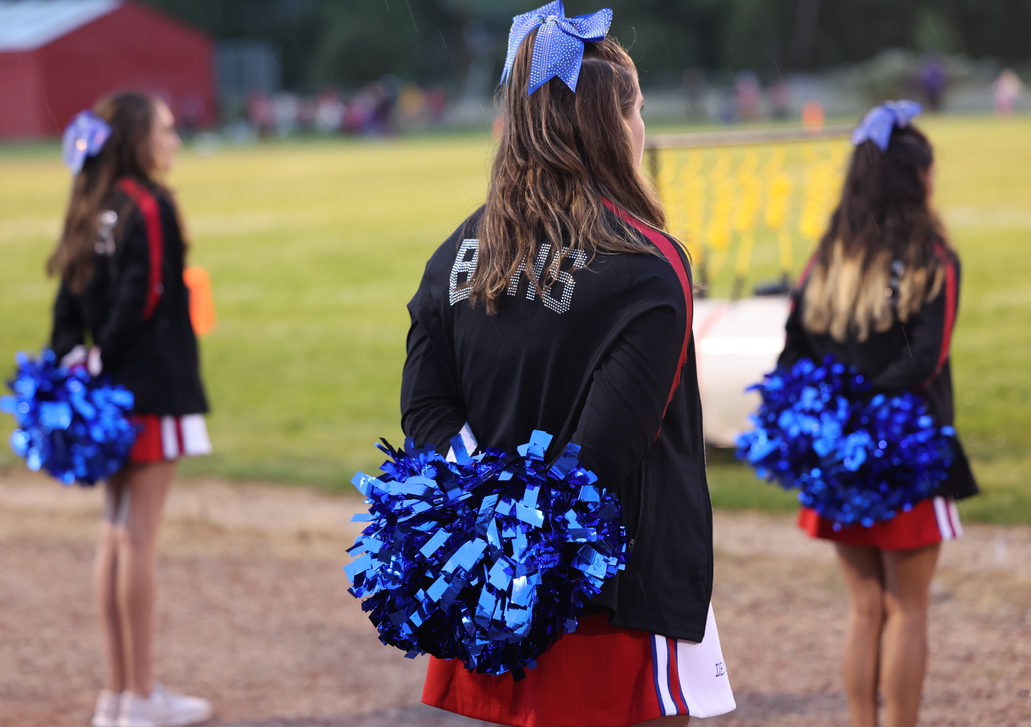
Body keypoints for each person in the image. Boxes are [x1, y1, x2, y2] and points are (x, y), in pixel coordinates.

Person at [400, 4, 735, 725]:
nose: (642, 127)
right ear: (612, 124)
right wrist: (529, 534)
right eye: (637, 109)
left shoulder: (455, 252)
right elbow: (603, 454)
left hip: (491, 587)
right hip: (610, 598)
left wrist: (490, 526)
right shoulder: (646, 266)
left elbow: (425, 411)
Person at [778, 101, 978, 727]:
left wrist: (833, 421)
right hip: (907, 455)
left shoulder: (828, 258)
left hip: (838, 457)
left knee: (865, 608)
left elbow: (793, 352)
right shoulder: (932, 258)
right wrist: (873, 415)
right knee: (908, 609)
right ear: (916, 180)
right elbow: (924, 361)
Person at [48, 92, 213, 727]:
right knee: (137, 536)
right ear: (138, 139)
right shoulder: (148, 203)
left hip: (105, 397)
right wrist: (106, 359)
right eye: (166, 129)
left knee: (116, 531)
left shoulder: (93, 203)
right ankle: (142, 698)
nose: (174, 140)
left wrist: (76, 363)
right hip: (151, 390)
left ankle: (117, 696)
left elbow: (69, 301)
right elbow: (144, 297)